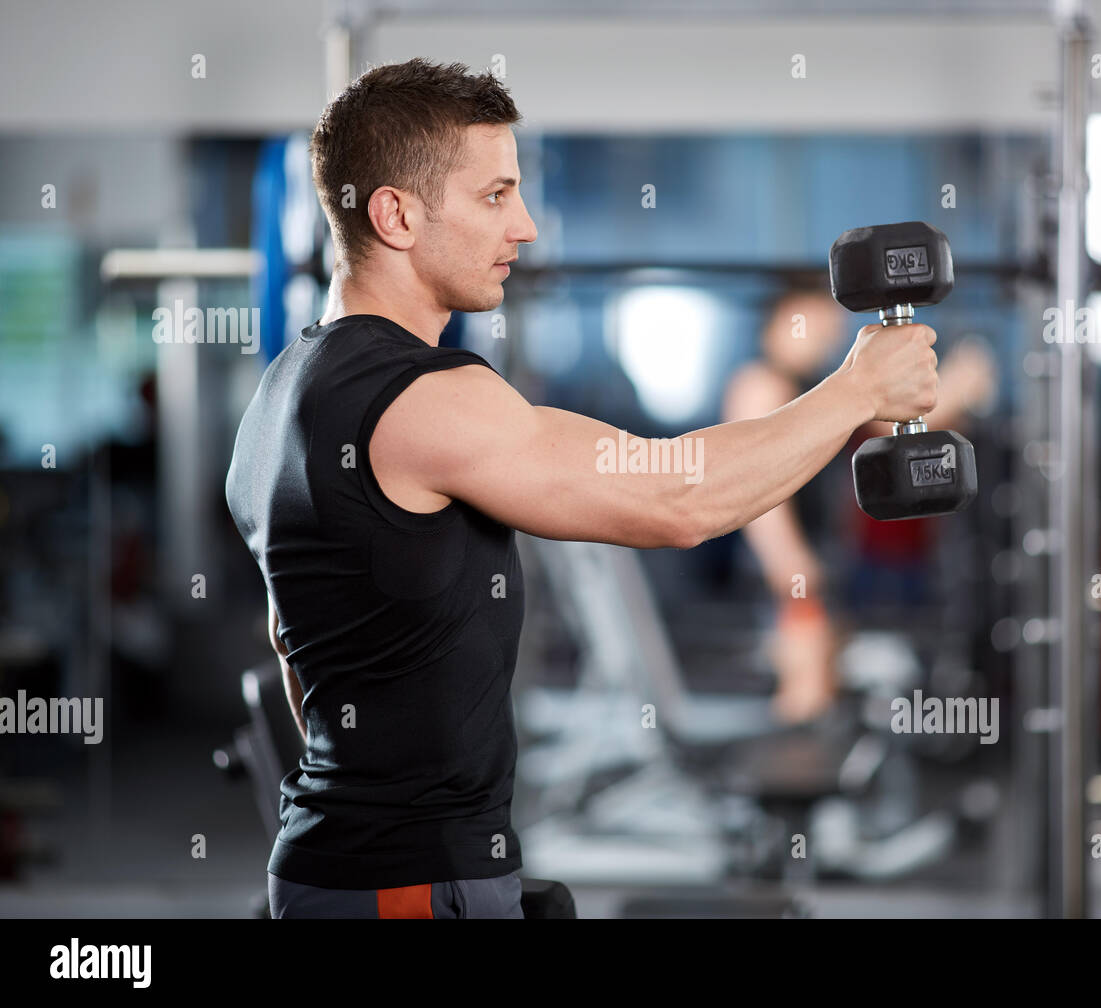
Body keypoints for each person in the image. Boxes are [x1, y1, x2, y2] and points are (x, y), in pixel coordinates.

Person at [225, 59, 939, 918]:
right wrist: (857, 389)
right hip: (407, 885)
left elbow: (298, 663)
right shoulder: (428, 401)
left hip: (334, 868)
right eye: (494, 196)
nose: (523, 226)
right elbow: (679, 497)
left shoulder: (278, 395)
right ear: (396, 214)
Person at [723, 289, 997, 723]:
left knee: (822, 685)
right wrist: (789, 565)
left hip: (819, 560)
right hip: (787, 572)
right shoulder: (762, 383)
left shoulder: (808, 389)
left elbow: (884, 425)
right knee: (804, 691)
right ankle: (785, 782)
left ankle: (804, 780)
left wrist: (953, 394)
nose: (825, 339)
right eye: (814, 326)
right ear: (782, 319)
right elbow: (752, 492)